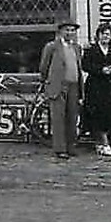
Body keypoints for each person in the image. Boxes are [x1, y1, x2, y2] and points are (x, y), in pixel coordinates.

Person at [38, 20, 83, 159]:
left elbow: (78, 67)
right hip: (58, 85)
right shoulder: (52, 47)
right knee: (58, 118)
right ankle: (60, 148)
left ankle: (71, 146)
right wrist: (47, 82)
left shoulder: (77, 47)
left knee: (72, 117)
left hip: (74, 85)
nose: (70, 33)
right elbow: (43, 66)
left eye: (72, 30)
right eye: (67, 30)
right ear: (60, 32)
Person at [80, 22, 111, 157]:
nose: (106, 37)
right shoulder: (91, 49)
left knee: (108, 114)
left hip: (109, 86)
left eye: (108, 34)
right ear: (98, 36)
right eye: (103, 34)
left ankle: (101, 143)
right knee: (97, 115)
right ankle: (104, 143)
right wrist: (100, 70)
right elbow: (85, 65)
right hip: (95, 86)